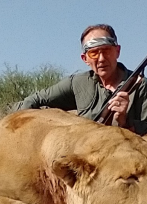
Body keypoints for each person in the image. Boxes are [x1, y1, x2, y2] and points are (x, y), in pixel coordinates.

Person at [13, 24, 147, 136]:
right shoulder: (77, 83)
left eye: (106, 50)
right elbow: (32, 101)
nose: (101, 59)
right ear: (85, 59)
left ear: (117, 51)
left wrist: (124, 122)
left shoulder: (141, 85)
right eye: (93, 53)